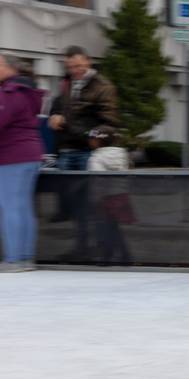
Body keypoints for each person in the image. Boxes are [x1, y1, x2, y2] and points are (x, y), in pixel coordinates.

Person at [48, 46, 119, 260]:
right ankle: (81, 248)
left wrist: (91, 136)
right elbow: (58, 107)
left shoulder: (103, 86)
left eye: (78, 66)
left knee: (94, 203)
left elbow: (111, 123)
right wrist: (55, 116)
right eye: (70, 67)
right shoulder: (66, 83)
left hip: (87, 151)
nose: (75, 70)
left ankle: (104, 249)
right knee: (76, 206)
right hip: (67, 150)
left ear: (88, 61)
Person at [0, 53, 45, 272]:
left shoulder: (9, 92)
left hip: (12, 156)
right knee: (23, 207)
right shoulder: (28, 92)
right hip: (31, 154)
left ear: (10, 68)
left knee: (10, 207)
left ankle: (13, 259)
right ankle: (26, 258)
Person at [87, 126, 134, 265]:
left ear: (98, 141)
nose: (89, 142)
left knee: (105, 227)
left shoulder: (96, 158)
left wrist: (95, 198)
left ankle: (108, 257)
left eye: (92, 139)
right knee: (113, 227)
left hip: (105, 197)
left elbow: (97, 180)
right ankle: (124, 256)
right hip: (120, 194)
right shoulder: (122, 154)